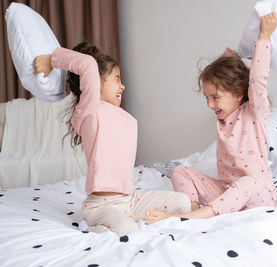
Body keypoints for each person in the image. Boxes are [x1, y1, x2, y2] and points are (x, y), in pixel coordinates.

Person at [34, 42, 191, 236]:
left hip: (130, 201)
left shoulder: (117, 114)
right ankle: (92, 225)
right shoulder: (89, 111)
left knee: (184, 203)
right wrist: (52, 60)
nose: (122, 85)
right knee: (127, 231)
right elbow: (87, 65)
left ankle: (127, 219)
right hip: (100, 206)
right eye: (117, 78)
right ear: (96, 83)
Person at [146, 13, 277, 223]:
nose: (210, 105)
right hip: (227, 193)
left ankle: (191, 218)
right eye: (207, 98)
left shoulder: (254, 112)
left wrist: (264, 36)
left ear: (238, 93)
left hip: (257, 195)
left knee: (248, 183)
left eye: (215, 97)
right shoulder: (224, 118)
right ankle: (192, 211)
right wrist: (229, 59)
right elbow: (228, 76)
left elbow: (257, 80)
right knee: (180, 171)